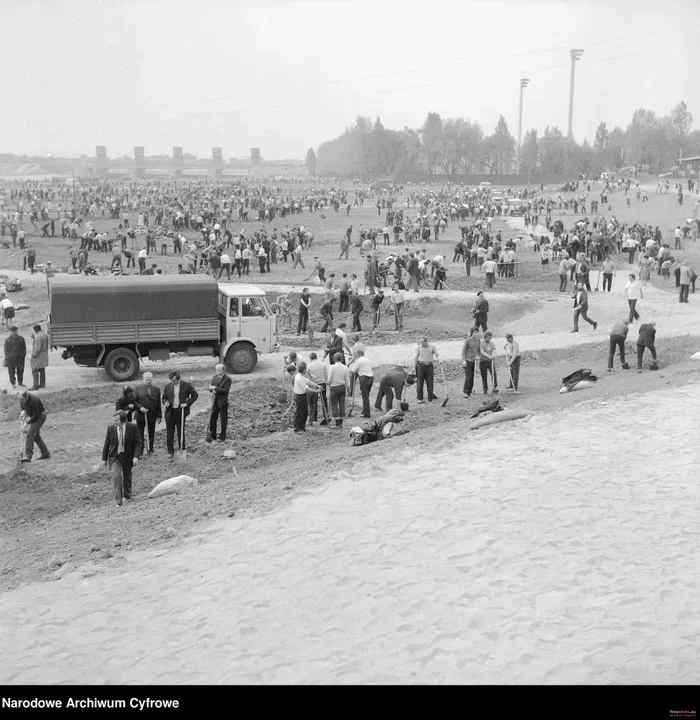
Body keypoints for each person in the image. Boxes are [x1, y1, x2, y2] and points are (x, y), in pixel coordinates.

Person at [102, 410, 142, 506]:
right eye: (113, 420)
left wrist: (136, 456)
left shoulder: (132, 427)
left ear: (122, 420)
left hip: (128, 456)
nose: (114, 422)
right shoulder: (111, 428)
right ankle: (118, 501)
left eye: (116, 420)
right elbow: (107, 444)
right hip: (115, 456)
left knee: (127, 476)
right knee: (117, 476)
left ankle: (127, 495)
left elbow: (138, 443)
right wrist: (104, 459)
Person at [162, 370, 199, 457]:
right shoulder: (168, 386)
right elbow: (164, 398)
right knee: (170, 432)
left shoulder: (186, 385)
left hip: (180, 412)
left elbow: (195, 395)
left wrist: (186, 403)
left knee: (180, 431)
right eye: (171, 380)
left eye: (174, 380)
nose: (172, 382)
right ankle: (170, 451)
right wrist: (165, 402)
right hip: (170, 412)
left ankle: (182, 449)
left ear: (179, 379)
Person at [19, 389, 50, 462]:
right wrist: (23, 412)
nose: (21, 401)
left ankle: (28, 455)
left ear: (26, 397)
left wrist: (26, 424)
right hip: (34, 416)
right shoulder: (22, 399)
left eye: (22, 400)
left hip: (40, 416)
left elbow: (36, 416)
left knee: (30, 434)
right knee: (35, 436)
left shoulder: (34, 400)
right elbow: (22, 406)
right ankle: (45, 453)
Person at [134, 371, 162, 454]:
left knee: (151, 433)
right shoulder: (137, 388)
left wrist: (159, 415)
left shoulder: (156, 389)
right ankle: (140, 452)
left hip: (152, 415)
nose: (148, 381)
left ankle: (150, 450)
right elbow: (134, 401)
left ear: (152, 380)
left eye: (150, 380)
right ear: (143, 379)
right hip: (141, 415)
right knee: (140, 434)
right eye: (147, 380)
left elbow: (158, 403)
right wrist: (140, 408)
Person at [208, 363, 232, 442]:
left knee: (223, 420)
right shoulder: (214, 378)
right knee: (213, 418)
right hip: (215, 401)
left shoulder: (227, 379)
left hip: (223, 402)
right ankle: (213, 435)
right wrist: (211, 389)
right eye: (217, 370)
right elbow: (211, 387)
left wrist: (215, 388)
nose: (218, 372)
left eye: (220, 370)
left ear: (223, 370)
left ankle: (222, 437)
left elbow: (225, 390)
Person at [348, 348, 374, 418]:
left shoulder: (359, 360)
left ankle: (367, 414)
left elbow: (353, 370)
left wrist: (349, 372)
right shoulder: (367, 359)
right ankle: (365, 410)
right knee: (366, 396)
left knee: (365, 397)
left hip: (364, 379)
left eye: (356, 354)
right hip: (371, 378)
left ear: (358, 354)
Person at [414, 336, 440, 403]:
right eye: (420, 342)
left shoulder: (432, 347)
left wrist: (440, 360)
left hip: (429, 366)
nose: (421, 344)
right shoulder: (419, 347)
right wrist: (414, 366)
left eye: (422, 342)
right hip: (421, 365)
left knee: (430, 382)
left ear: (426, 341)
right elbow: (416, 357)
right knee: (420, 382)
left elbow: (437, 354)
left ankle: (430, 398)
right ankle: (420, 398)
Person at [327, 353, 350, 427]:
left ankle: (337, 421)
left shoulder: (332, 367)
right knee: (342, 403)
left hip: (334, 387)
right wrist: (348, 387)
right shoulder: (345, 367)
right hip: (342, 387)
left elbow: (330, 378)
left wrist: (328, 383)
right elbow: (347, 378)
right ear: (342, 359)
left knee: (334, 404)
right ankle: (341, 420)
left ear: (334, 359)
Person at [306, 352, 328, 425]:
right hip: (322, 383)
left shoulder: (309, 366)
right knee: (324, 400)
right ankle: (326, 415)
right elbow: (326, 374)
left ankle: (314, 417)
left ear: (310, 358)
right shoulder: (323, 364)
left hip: (314, 384)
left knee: (313, 402)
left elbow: (308, 376)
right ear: (316, 357)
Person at [461, 326, 481, 398]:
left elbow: (479, 351)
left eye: (477, 332)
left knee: (473, 377)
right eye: (475, 332)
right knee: (468, 377)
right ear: (472, 332)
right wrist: (463, 361)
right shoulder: (467, 340)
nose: (476, 334)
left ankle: (469, 391)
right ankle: (465, 391)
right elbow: (463, 352)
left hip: (475, 361)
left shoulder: (478, 341)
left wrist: (478, 356)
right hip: (468, 361)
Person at [29, 324, 49, 389]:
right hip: (44, 354)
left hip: (38, 355)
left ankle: (35, 385)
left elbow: (37, 348)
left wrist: (34, 355)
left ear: (35, 330)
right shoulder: (44, 335)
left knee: (34, 370)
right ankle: (42, 384)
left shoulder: (38, 336)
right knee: (42, 369)